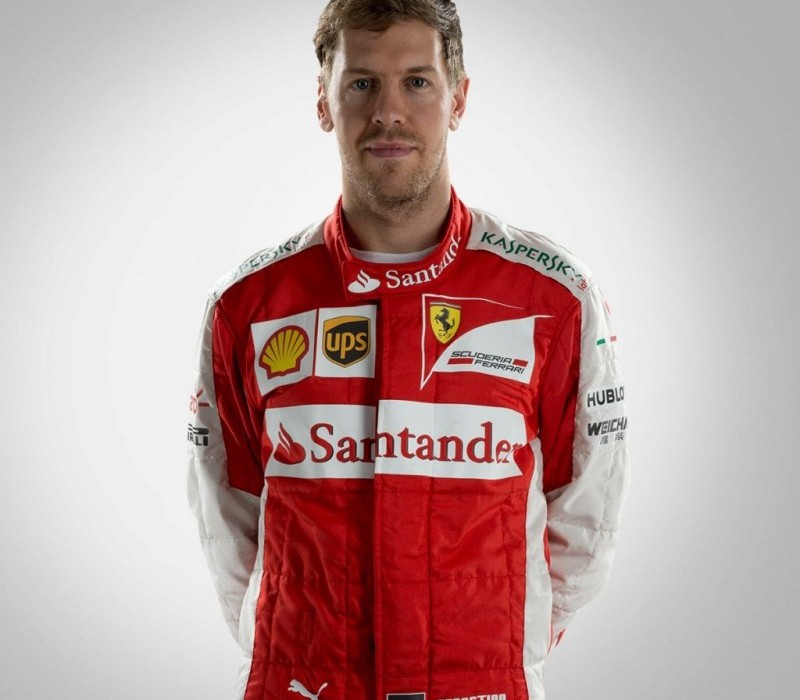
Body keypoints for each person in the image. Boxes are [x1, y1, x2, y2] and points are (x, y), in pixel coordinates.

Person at [187, 1, 629, 699]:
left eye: (417, 82)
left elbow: (588, 511)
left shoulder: (552, 296)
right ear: (324, 103)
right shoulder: (247, 305)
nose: (389, 112)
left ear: (459, 98)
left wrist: (498, 646)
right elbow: (228, 520)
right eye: (361, 83)